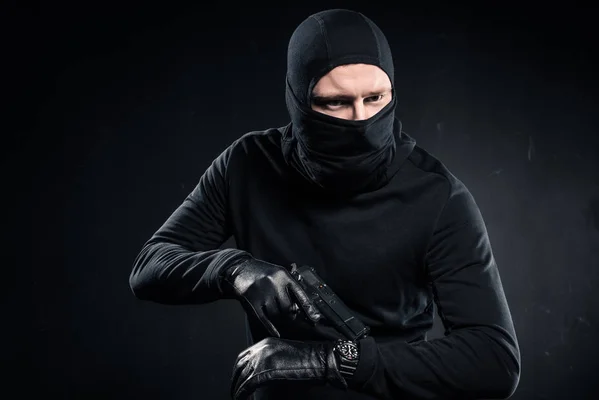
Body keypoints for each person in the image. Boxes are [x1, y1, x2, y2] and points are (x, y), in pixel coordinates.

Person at [129, 8, 521, 400]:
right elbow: (149, 266)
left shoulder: (438, 195)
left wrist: (331, 361)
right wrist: (234, 270)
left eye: (375, 98)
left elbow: (495, 360)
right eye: (335, 103)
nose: (361, 122)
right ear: (299, 100)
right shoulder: (248, 164)